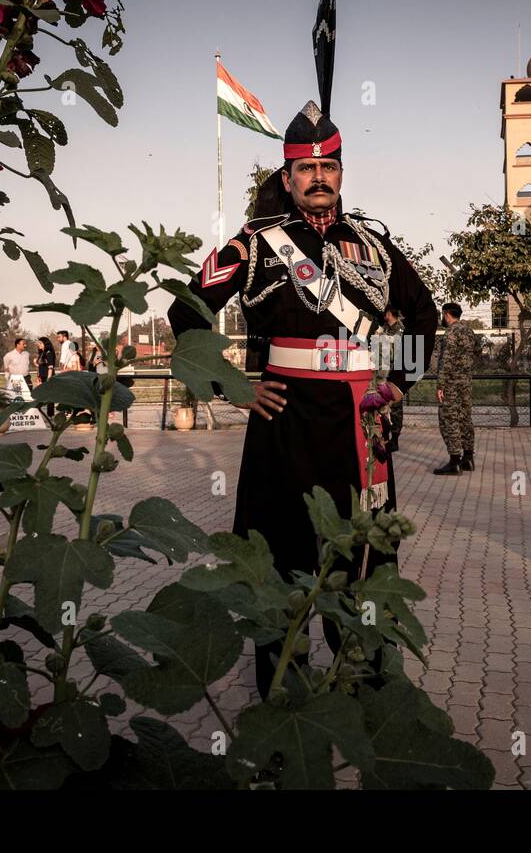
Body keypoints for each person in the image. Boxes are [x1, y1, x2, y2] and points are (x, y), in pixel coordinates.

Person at [169, 37, 438, 697]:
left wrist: (398, 385)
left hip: (361, 429)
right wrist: (233, 386)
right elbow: (185, 314)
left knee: (366, 561)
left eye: (330, 167)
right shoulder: (253, 247)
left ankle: (365, 697)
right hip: (283, 429)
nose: (319, 177)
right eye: (306, 169)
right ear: (287, 177)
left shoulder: (377, 246)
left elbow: (425, 318)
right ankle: (283, 707)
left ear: (342, 173)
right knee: (280, 571)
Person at [433, 302, 477, 475]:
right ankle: (468, 458)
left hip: (451, 383)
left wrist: (440, 385)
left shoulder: (450, 333)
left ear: (446, 314)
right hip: (465, 383)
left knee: (449, 420)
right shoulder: (469, 331)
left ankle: (454, 462)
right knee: (465, 418)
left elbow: (446, 361)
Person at [378, 304, 406, 453]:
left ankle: (394, 439)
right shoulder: (385, 327)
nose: (384, 316)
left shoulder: (400, 329)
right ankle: (385, 436)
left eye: (385, 313)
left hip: (394, 371)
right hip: (383, 370)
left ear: (389, 313)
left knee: (395, 406)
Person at [35, 336, 56, 419]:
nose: (38, 345)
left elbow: (50, 366)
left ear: (45, 343)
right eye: (38, 343)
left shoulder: (49, 352)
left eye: (40, 343)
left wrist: (49, 378)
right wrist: (38, 376)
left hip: (48, 377)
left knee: (49, 397)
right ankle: (40, 414)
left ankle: (50, 415)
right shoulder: (41, 353)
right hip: (42, 377)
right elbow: (40, 366)